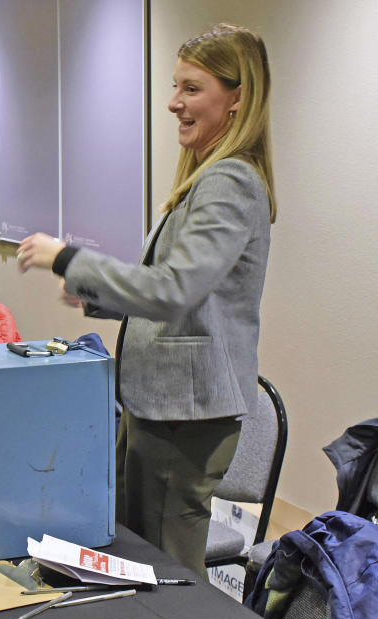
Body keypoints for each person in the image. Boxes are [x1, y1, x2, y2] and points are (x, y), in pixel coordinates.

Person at [17, 24, 275, 577]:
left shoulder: (231, 181)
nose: (173, 103)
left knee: (167, 565)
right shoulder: (208, 178)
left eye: (191, 88)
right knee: (140, 547)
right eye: (175, 87)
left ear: (237, 98)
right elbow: (181, 292)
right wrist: (93, 298)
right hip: (162, 403)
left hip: (184, 412)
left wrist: (68, 258)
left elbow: (175, 290)